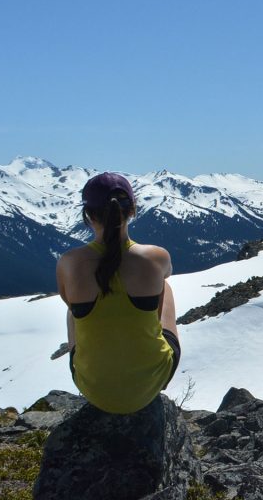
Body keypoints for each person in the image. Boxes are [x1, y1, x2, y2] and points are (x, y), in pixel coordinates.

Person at [56, 172, 181, 414]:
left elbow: (68, 302)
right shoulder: (157, 257)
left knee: (74, 312)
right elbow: (165, 275)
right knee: (164, 285)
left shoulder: (69, 262)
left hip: (93, 388)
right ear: (132, 210)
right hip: (151, 383)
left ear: (89, 215)